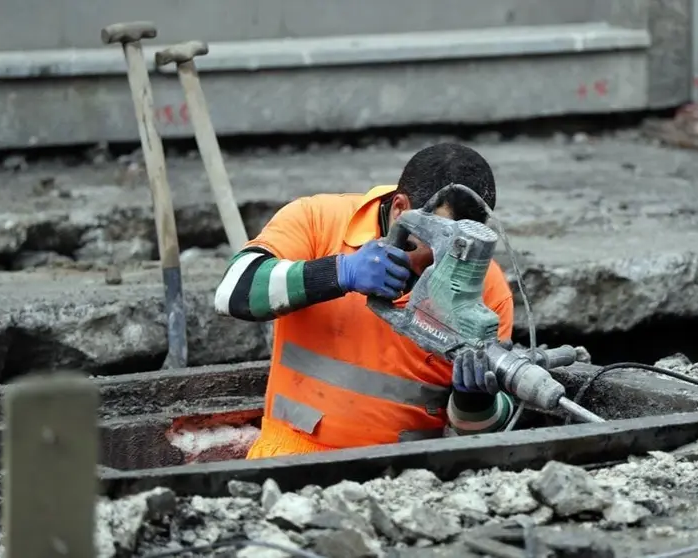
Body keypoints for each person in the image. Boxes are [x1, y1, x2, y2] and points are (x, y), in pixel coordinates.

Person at [214, 143, 516, 458]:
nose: (447, 265)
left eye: (462, 251)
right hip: (290, 458)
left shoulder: (486, 288)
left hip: (410, 474)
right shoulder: (320, 221)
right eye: (438, 246)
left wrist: (474, 402)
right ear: (401, 211)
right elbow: (232, 291)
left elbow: (478, 438)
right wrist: (337, 272)